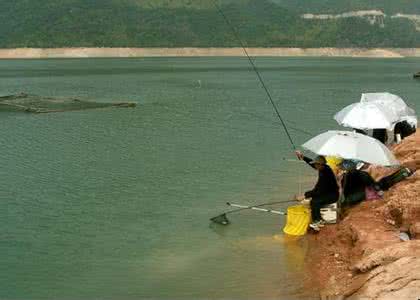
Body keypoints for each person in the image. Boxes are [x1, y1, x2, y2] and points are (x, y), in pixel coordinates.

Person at [295, 151, 339, 231]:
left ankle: (318, 221)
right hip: (326, 192)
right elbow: (312, 164)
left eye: (316, 164)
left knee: (315, 201)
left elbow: (319, 190)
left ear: (320, 164)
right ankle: (317, 219)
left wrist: (304, 195)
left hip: (332, 195)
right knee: (313, 199)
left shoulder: (326, 173)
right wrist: (303, 157)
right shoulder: (323, 168)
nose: (315, 166)